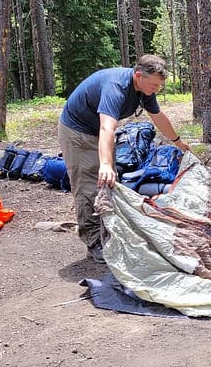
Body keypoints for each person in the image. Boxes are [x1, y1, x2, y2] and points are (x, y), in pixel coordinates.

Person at [58, 54, 191, 262]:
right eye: (155, 84)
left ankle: (111, 233)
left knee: (111, 184)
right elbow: (107, 127)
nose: (157, 89)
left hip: (100, 133)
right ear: (138, 75)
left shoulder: (144, 89)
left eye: (160, 85)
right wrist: (104, 163)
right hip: (78, 133)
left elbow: (158, 116)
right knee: (89, 186)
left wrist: (178, 141)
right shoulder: (116, 87)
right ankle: (94, 243)